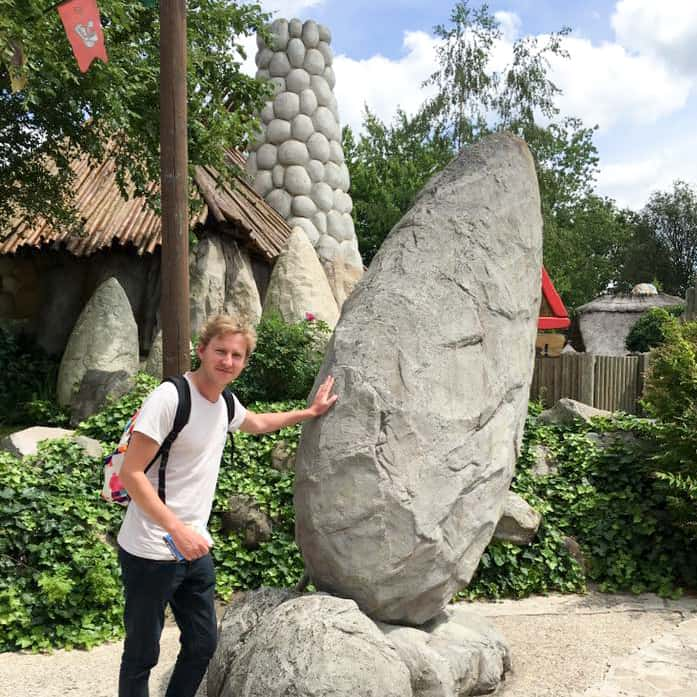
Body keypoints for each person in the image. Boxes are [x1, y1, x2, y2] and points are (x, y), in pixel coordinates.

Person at [116, 314, 337, 697]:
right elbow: (133, 474)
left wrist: (309, 413)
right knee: (141, 654)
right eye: (221, 351)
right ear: (201, 350)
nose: (228, 361)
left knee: (203, 644)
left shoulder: (224, 404)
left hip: (194, 548)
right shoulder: (170, 399)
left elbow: (257, 422)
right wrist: (177, 529)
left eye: (237, 355)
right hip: (151, 548)